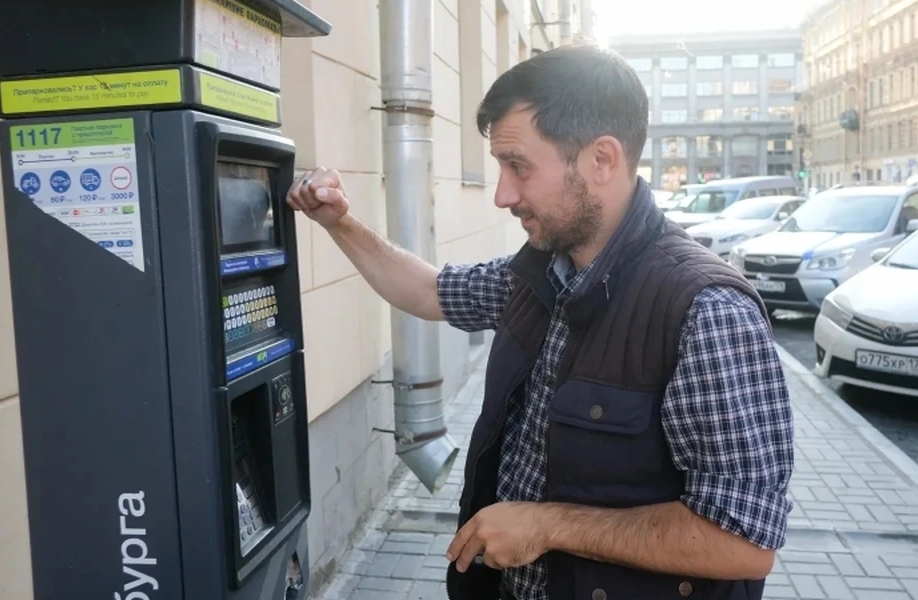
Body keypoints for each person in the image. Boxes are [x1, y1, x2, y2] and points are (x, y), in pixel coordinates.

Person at [287, 44, 794, 600]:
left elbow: (743, 539)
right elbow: (429, 291)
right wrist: (340, 223)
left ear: (601, 160)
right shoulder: (535, 278)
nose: (503, 194)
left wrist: (548, 525)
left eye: (518, 165)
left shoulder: (706, 312)